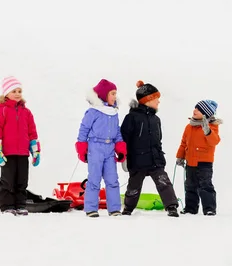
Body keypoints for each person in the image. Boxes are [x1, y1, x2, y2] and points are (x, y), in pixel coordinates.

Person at [120, 80, 179, 217]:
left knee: (164, 182)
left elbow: (158, 140)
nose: (158, 102)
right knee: (133, 187)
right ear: (147, 100)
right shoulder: (131, 118)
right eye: (156, 99)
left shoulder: (156, 119)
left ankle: (171, 207)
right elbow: (124, 138)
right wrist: (124, 155)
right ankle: (128, 209)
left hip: (155, 159)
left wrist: (160, 156)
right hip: (137, 160)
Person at [75, 79, 127, 218]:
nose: (115, 96)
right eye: (112, 93)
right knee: (94, 179)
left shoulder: (114, 112)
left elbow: (117, 132)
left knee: (112, 179)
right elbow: (83, 130)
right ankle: (91, 208)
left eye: (116, 93)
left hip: (109, 149)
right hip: (95, 148)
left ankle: (114, 208)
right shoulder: (93, 112)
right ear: (104, 95)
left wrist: (120, 148)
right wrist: (82, 148)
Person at [0, 76, 40, 215]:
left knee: (22, 181)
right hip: (7, 153)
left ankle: (20, 205)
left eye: (19, 91)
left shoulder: (27, 113)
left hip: (23, 153)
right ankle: (7, 206)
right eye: (14, 91)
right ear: (6, 93)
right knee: (8, 181)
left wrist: (36, 152)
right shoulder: (0, 112)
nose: (17, 94)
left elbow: (32, 134)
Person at [175, 99, 222, 216]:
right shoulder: (189, 127)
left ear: (206, 114)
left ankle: (209, 208)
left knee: (205, 186)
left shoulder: (212, 127)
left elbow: (214, 141)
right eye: (195, 108)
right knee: (190, 186)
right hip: (190, 162)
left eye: (199, 110)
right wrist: (180, 156)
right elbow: (183, 143)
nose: (195, 110)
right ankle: (190, 208)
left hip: (204, 163)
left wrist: (208, 131)